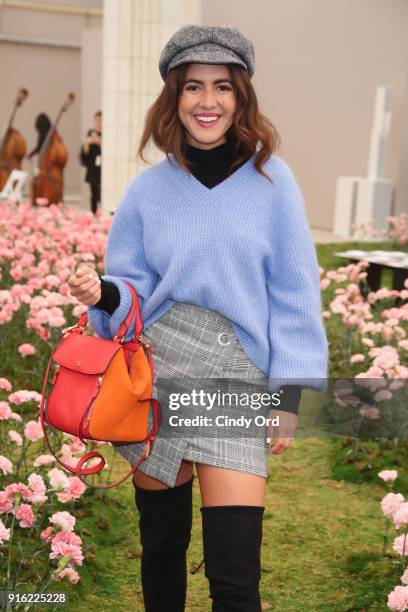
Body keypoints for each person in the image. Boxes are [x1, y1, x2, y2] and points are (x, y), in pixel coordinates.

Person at [67, 25, 328, 612]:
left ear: (241, 97)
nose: (207, 101)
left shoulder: (272, 181)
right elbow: (133, 291)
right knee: (161, 551)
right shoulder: (146, 193)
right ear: (173, 97)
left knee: (235, 573)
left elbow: (293, 289)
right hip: (155, 374)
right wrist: (102, 292)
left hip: (235, 377)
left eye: (222, 87)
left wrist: (286, 395)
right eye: (192, 87)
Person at [79, 111, 102, 215]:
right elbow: (85, 152)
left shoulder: (108, 132)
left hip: (103, 168)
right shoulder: (90, 132)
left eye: (100, 120)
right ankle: (93, 214)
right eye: (97, 120)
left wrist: (99, 142)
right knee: (93, 193)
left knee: (101, 193)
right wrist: (86, 145)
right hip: (93, 167)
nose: (99, 122)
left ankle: (102, 212)